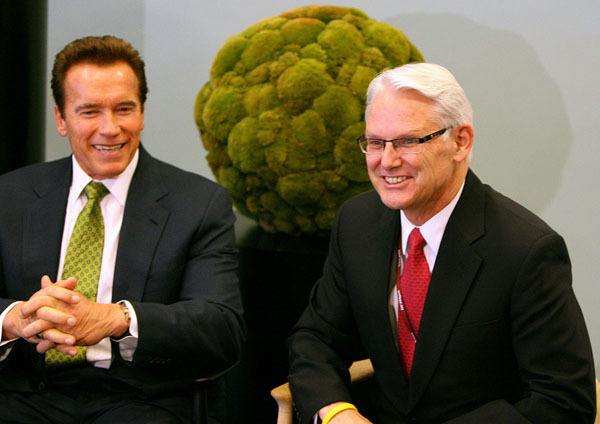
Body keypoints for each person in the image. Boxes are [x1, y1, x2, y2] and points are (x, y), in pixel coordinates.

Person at [288, 63, 596, 423]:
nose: (387, 161)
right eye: (375, 142)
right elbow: (316, 339)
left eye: (407, 141)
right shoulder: (357, 223)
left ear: (460, 141)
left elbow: (564, 401)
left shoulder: (526, 250)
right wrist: (337, 413)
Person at [0, 35, 244, 423]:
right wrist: (11, 319)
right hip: (24, 392)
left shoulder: (199, 203)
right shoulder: (10, 195)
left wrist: (118, 320)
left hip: (140, 399)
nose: (110, 128)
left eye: (124, 108)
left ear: (142, 113)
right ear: (61, 119)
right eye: (90, 111)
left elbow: (221, 329)